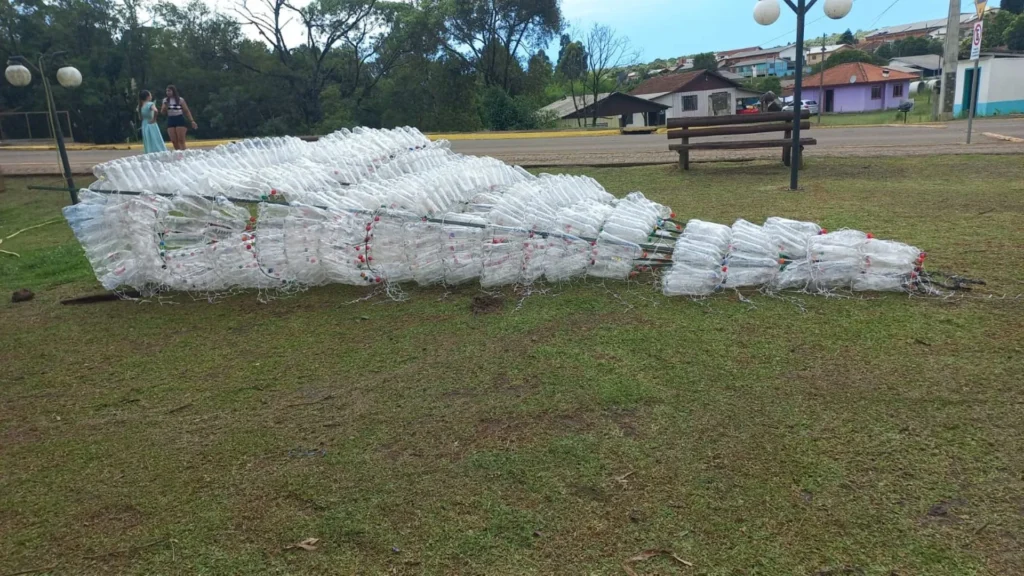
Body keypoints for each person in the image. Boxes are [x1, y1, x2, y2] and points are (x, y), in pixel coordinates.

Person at [160, 85, 198, 151]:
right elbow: (163, 113)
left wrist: (192, 121)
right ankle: (178, 153)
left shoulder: (180, 100)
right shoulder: (165, 100)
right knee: (174, 140)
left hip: (179, 118)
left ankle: (184, 152)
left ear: (173, 91)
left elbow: (186, 111)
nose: (167, 92)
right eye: (166, 91)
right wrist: (165, 106)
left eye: (169, 91)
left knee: (181, 140)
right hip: (171, 119)